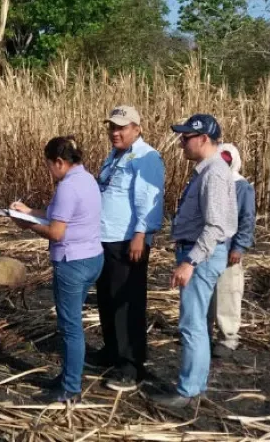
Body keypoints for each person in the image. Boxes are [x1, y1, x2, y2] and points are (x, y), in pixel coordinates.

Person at [152, 114, 238, 408]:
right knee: (196, 322)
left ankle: (189, 391)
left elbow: (215, 227)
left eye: (186, 137)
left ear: (203, 139)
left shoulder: (213, 174)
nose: (181, 143)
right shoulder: (209, 171)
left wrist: (190, 262)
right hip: (201, 252)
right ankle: (194, 386)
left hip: (201, 255)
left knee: (192, 324)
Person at [10, 136, 104, 404]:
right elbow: (61, 214)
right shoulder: (87, 179)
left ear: (60, 162)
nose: (49, 170)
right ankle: (68, 376)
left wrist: (25, 223)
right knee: (72, 323)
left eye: (49, 165)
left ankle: (71, 388)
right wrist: (30, 211)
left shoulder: (67, 187)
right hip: (93, 258)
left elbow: (56, 232)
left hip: (72, 263)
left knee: (70, 327)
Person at [94, 105, 165, 392]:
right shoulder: (114, 156)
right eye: (112, 126)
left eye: (121, 127)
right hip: (106, 237)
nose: (115, 132)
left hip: (128, 240)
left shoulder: (146, 157)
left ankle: (131, 365)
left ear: (137, 128)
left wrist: (141, 234)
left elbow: (150, 199)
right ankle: (111, 350)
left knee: (128, 303)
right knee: (107, 298)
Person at [207, 143, 256, 358]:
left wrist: (239, 246)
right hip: (208, 247)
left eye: (227, 161)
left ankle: (228, 337)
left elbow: (247, 218)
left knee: (227, 293)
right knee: (206, 293)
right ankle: (203, 333)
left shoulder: (241, 186)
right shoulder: (210, 180)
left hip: (228, 249)